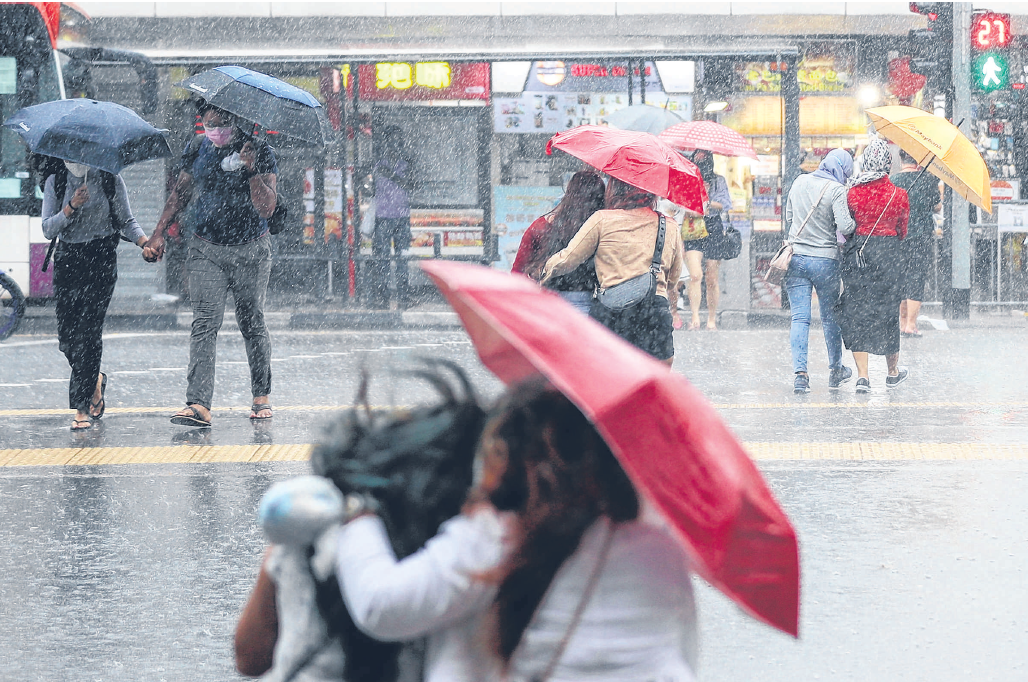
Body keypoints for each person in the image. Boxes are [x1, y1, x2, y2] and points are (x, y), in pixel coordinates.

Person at [333, 379, 698, 682]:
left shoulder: (497, 535)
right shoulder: (658, 546)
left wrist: (359, 511)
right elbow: (681, 653)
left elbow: (382, 607)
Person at [144, 103, 278, 426]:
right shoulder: (196, 147)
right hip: (206, 247)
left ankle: (261, 394)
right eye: (209, 124)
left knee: (252, 319)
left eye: (222, 124)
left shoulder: (259, 149)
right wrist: (157, 233)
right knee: (205, 322)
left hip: (250, 249)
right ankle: (199, 403)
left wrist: (250, 169)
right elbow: (181, 193)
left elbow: (267, 208)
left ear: (234, 120)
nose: (216, 131)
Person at [41, 159, 150, 431]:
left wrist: (144, 243)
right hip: (68, 261)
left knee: (88, 334)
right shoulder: (57, 180)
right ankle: (95, 380)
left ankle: (81, 409)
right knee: (67, 339)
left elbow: (126, 221)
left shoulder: (110, 178)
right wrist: (71, 207)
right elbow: (47, 229)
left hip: (101, 259)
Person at [540, 178, 683, 366]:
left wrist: (544, 273)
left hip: (612, 312)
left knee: (609, 380)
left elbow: (567, 259)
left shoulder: (603, 219)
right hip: (654, 313)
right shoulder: (669, 226)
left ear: (615, 189)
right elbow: (674, 277)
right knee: (654, 384)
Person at [782, 149, 857, 394]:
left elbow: (789, 217)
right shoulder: (836, 190)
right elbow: (845, 227)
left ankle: (800, 375)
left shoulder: (799, 181)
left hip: (796, 259)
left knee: (800, 318)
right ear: (843, 169)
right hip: (825, 261)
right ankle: (835, 370)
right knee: (829, 317)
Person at [840, 139, 911, 393]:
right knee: (888, 313)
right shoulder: (899, 194)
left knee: (858, 311)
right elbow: (902, 231)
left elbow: (846, 227)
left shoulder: (852, 192)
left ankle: (863, 376)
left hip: (858, 255)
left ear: (866, 161)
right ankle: (892, 372)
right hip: (889, 256)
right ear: (888, 164)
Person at [512, 169, 605, 314]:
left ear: (569, 194)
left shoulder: (541, 226)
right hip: (586, 306)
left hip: (546, 304)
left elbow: (518, 272)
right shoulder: (601, 229)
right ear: (600, 198)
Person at [681, 150, 733, 330]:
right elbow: (683, 204)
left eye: (704, 160)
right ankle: (695, 316)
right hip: (693, 226)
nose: (702, 164)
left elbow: (725, 204)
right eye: (698, 160)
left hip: (713, 228)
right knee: (695, 275)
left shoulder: (718, 181)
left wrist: (706, 203)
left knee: (712, 277)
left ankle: (711, 318)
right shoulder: (688, 180)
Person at [892, 150, 942, 337]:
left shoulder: (894, 181)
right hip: (921, 237)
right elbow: (937, 206)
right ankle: (911, 325)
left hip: (898, 237)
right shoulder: (927, 180)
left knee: (900, 278)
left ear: (901, 159)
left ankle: (902, 322)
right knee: (916, 277)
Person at [369, 125, 415, 309]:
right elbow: (369, 187)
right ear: (386, 142)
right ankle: (383, 295)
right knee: (382, 259)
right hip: (383, 217)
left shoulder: (406, 164)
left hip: (402, 217)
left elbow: (412, 185)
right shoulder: (378, 164)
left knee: (403, 258)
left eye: (398, 140)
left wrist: (393, 175)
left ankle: (403, 296)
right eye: (392, 140)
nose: (395, 144)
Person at [657, 197, 703, 331]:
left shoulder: (682, 206)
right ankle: (669, 311)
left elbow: (700, 213)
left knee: (676, 283)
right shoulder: (657, 205)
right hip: (661, 247)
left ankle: (677, 312)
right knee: (665, 283)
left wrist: (689, 209)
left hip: (680, 246)